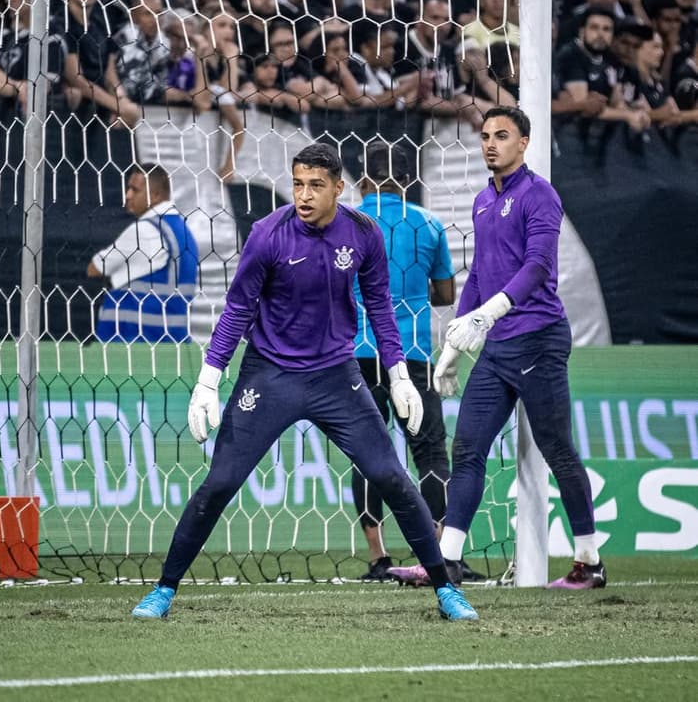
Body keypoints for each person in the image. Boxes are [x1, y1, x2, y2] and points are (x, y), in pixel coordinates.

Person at [132, 143, 478, 621]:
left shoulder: (363, 234)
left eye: (316, 185)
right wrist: (209, 379)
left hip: (337, 376)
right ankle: (164, 591)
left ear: (339, 188)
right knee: (220, 482)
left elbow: (378, 305)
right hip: (269, 374)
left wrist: (399, 374)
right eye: (298, 184)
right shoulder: (267, 234)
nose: (304, 195)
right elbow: (236, 308)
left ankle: (446, 590)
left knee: (391, 476)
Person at [388, 107, 606, 591]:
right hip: (498, 345)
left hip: (537, 337)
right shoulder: (484, 200)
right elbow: (481, 277)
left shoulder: (540, 195)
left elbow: (539, 268)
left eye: (502, 136)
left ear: (524, 142)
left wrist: (491, 313)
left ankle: (589, 561)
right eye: (485, 136)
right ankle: (445, 562)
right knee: (467, 449)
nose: (490, 144)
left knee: (557, 450)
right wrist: (454, 341)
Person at [351, 141, 454, 581]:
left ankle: (378, 557)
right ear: (409, 178)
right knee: (429, 451)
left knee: (367, 453)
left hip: (358, 351)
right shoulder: (427, 224)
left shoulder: (348, 223)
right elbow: (447, 295)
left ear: (360, 177)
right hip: (411, 353)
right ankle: (439, 552)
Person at [88, 163, 199, 343]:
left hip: (133, 340)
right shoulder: (183, 231)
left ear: (155, 196)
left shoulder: (144, 231)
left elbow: (94, 269)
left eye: (135, 190)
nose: (127, 195)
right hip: (173, 340)